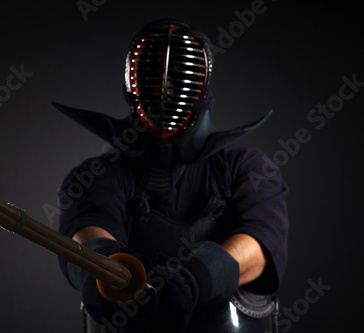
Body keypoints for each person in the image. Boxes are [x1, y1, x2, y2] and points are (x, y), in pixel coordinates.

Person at [54, 18, 288, 333]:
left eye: (179, 77)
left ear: (201, 86)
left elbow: (259, 245)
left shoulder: (248, 168)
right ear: (133, 84)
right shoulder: (99, 175)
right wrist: (107, 266)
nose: (165, 89)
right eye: (153, 77)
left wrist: (193, 281)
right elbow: (86, 234)